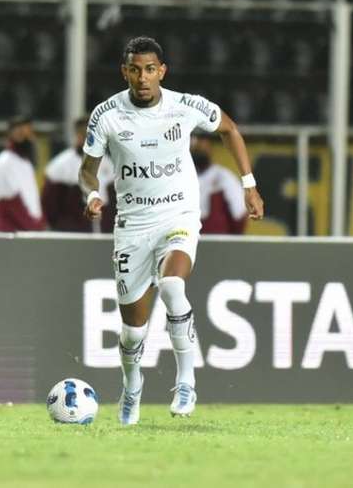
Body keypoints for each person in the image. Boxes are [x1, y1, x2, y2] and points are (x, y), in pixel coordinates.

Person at [78, 36, 264, 425]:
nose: (143, 78)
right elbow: (87, 170)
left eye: (150, 70)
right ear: (124, 71)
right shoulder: (107, 115)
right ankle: (132, 386)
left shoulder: (185, 106)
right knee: (133, 331)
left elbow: (229, 129)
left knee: (174, 286)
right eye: (135, 70)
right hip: (132, 226)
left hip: (178, 216)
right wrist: (92, 193)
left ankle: (186, 381)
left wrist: (248, 183)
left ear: (162, 71)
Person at [42, 116, 116, 232]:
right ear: (77, 135)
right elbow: (50, 206)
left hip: (103, 232)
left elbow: (115, 200)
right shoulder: (60, 166)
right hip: (73, 234)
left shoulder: (107, 163)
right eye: (84, 133)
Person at [0, 115, 46, 232]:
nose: (26, 138)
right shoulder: (4, 162)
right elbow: (10, 203)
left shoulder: (26, 163)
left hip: (27, 232)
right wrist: (34, 227)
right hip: (10, 235)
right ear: (11, 135)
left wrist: (39, 223)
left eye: (28, 134)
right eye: (21, 134)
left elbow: (31, 201)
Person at [191, 132, 248, 234]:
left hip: (217, 240)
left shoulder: (224, 177)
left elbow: (239, 216)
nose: (198, 145)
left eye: (202, 141)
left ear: (210, 146)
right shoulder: (180, 177)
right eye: (195, 142)